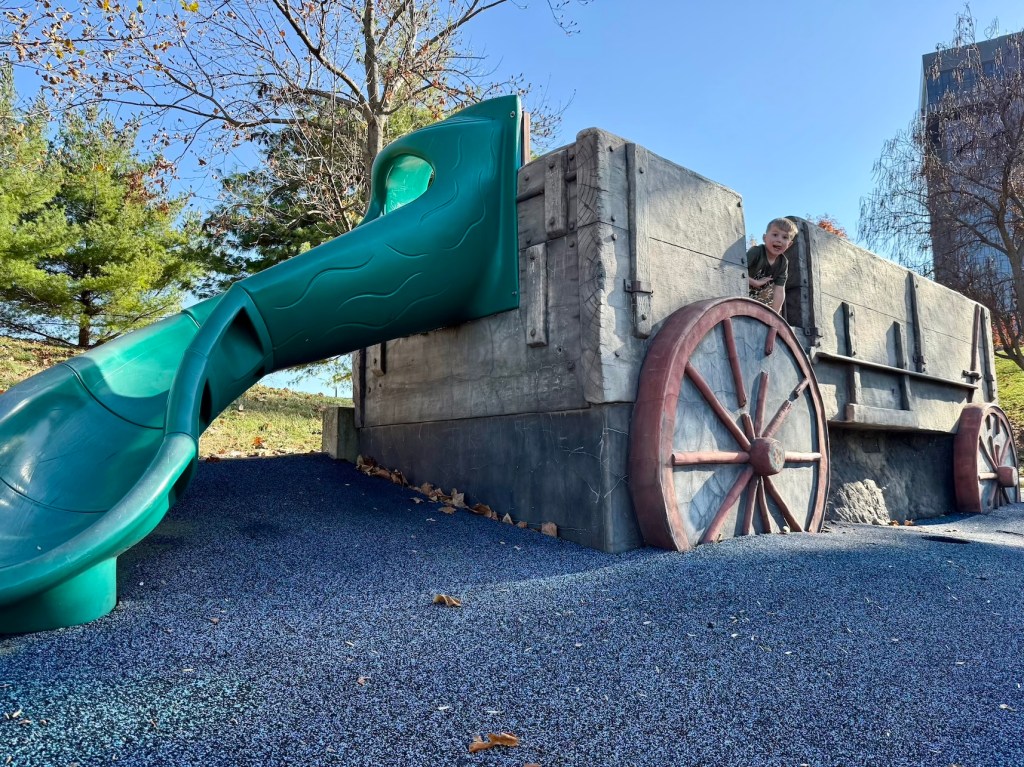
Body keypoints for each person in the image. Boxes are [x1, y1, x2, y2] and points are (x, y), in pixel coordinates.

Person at [747, 217, 797, 313]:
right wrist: (755, 283)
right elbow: (736, 273)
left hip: (756, 301)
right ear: (764, 238)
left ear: (789, 244)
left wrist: (775, 315)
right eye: (775, 235)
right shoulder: (756, 252)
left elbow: (779, 291)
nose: (779, 240)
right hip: (739, 295)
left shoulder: (783, 263)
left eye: (785, 237)